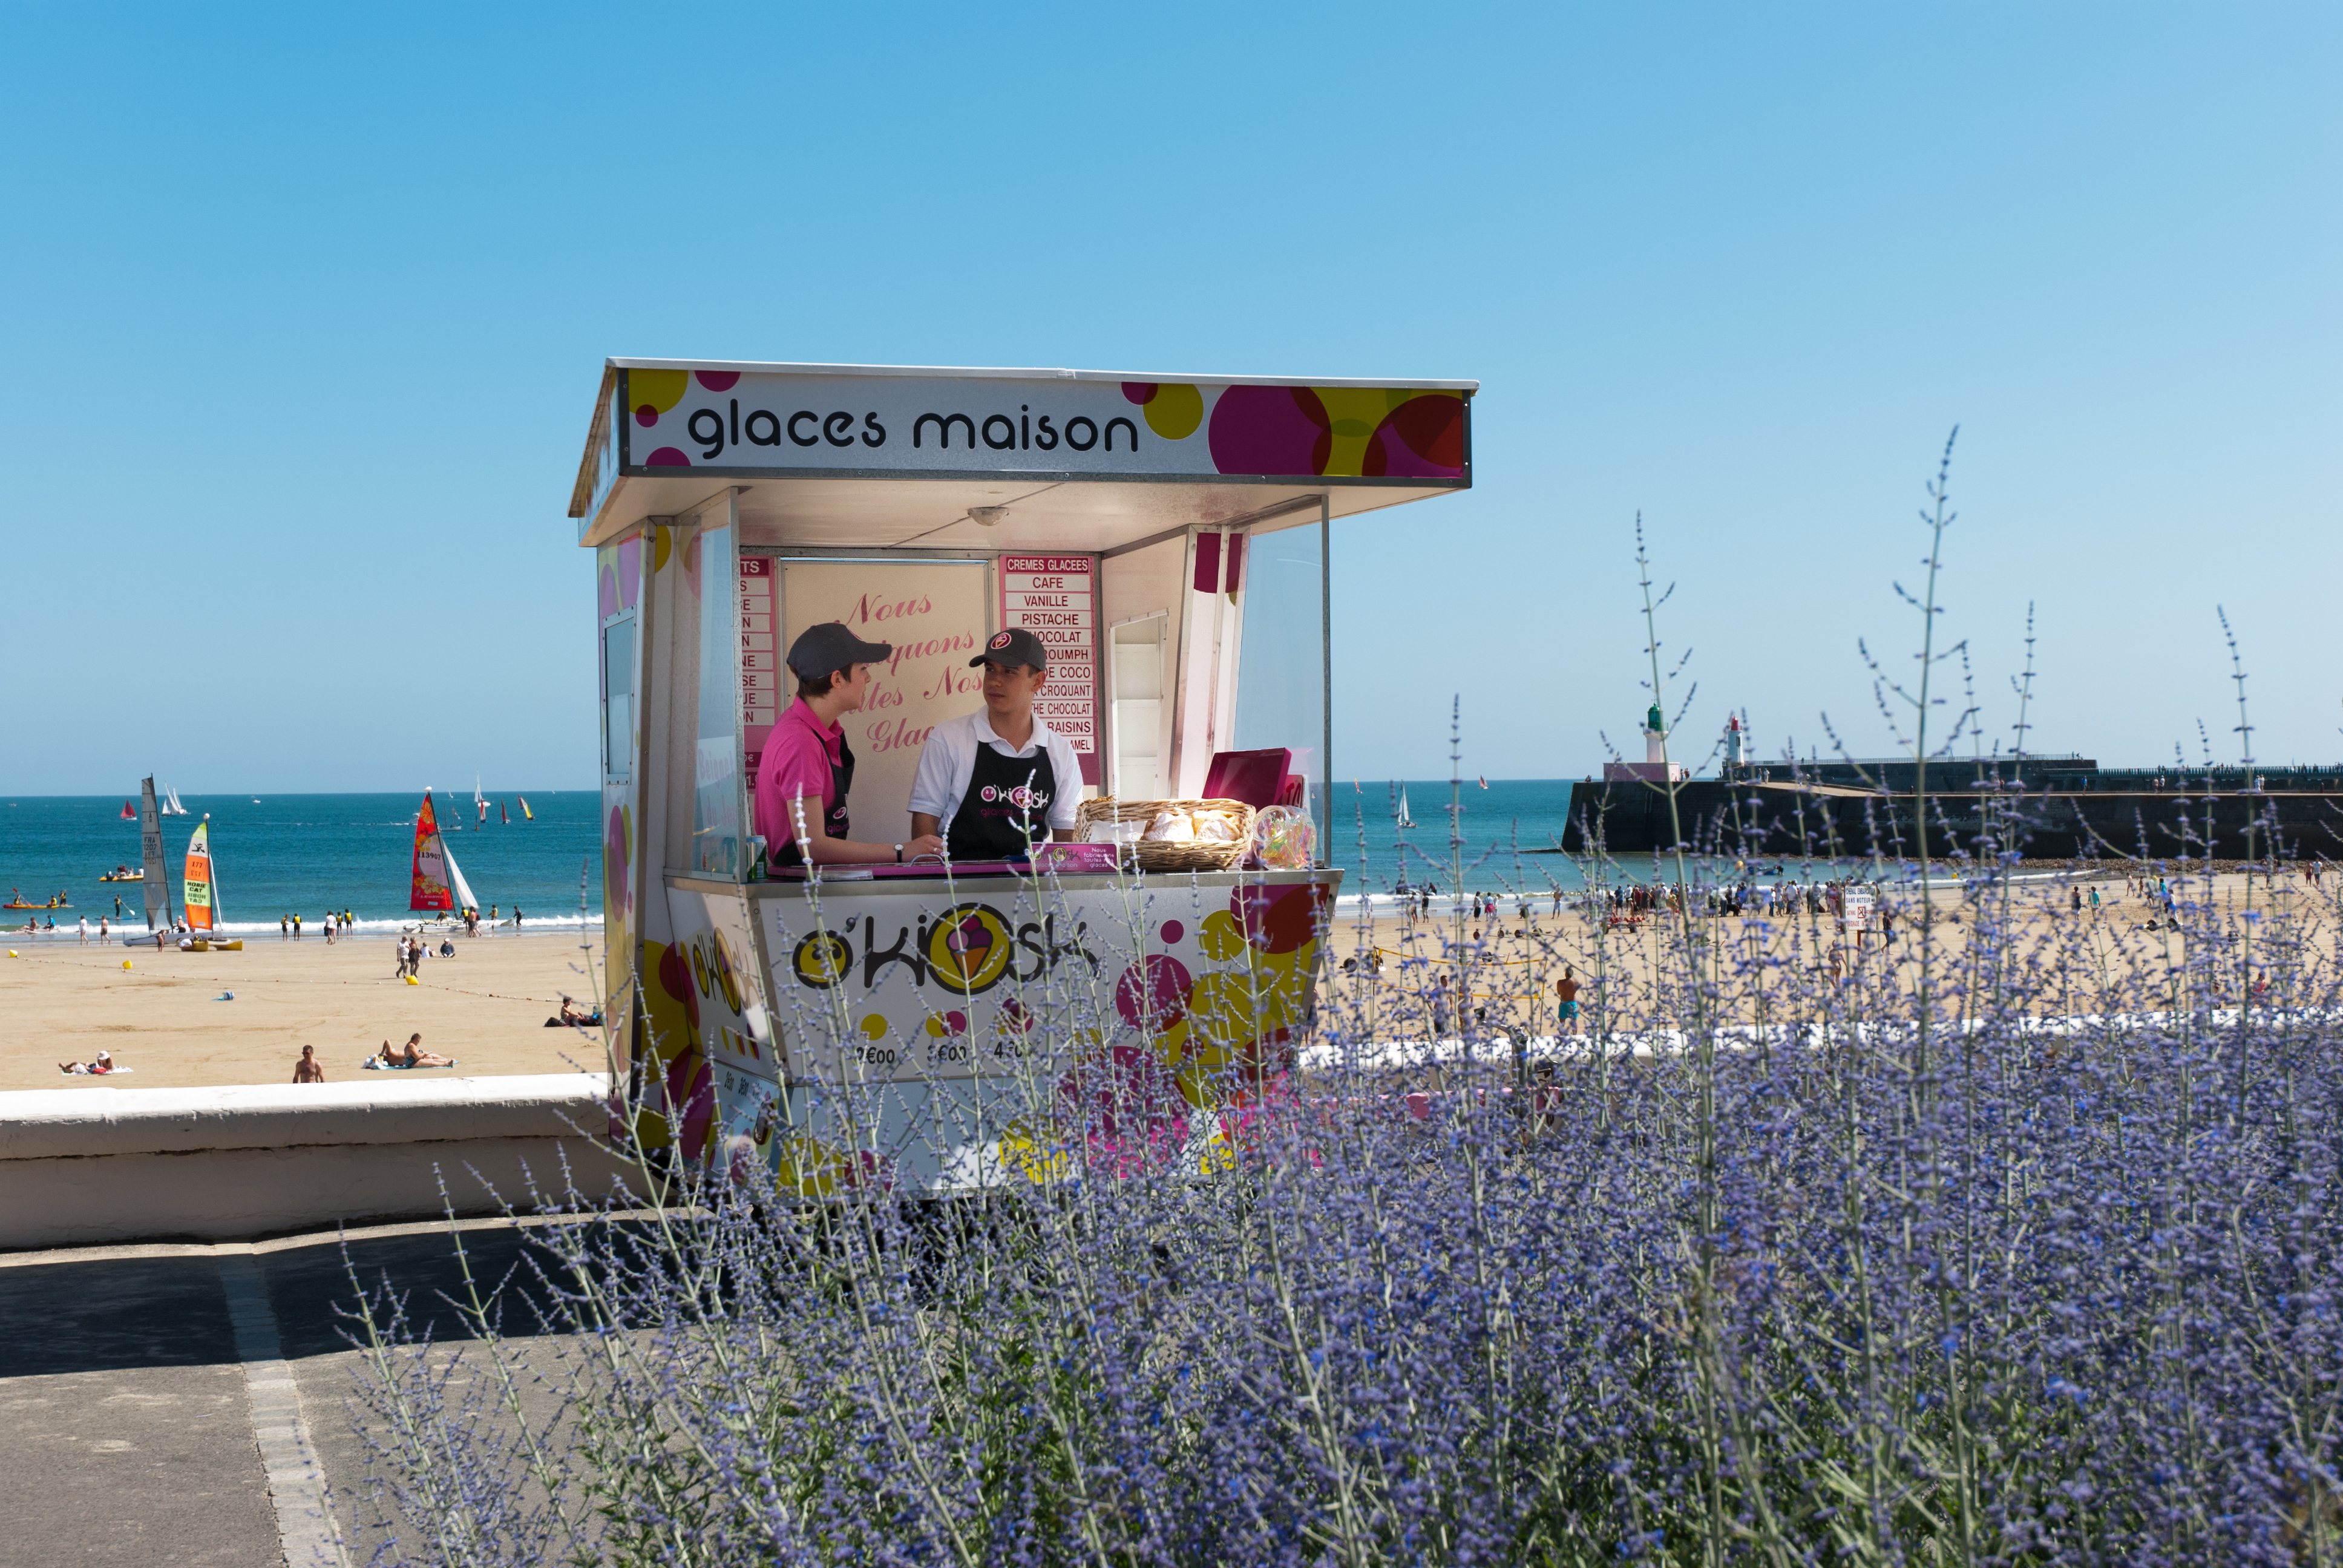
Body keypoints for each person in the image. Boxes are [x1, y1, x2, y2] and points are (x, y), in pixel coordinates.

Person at [749, 622, 943, 868]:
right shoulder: (800, 742)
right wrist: (902, 851)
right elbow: (813, 847)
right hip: (799, 895)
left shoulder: (822, 731)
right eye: (862, 668)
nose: (868, 677)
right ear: (837, 679)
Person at [909, 628, 1081, 861]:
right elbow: (924, 823)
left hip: (1032, 889)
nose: (995, 681)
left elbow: (1067, 834)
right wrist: (936, 889)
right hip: (958, 885)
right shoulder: (948, 738)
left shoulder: (1061, 752)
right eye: (990, 669)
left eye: (1009, 672)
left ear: (1038, 681)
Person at [1555, 966, 1581, 1034]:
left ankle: (1562, 1036)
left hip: (1563, 1003)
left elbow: (1559, 993)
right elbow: (1576, 990)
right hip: (1572, 1003)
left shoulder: (1560, 982)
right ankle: (1575, 1035)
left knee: (1562, 1022)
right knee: (1574, 1021)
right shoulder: (1576, 983)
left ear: (1566, 974)